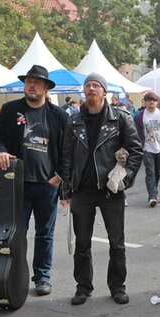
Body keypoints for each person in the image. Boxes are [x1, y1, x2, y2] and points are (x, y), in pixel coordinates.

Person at [59, 72, 143, 305]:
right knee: (82, 243)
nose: (92, 89)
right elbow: (65, 156)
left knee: (117, 243)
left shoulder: (120, 118)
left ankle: (117, 286)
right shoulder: (73, 120)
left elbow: (136, 150)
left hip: (110, 191)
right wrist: (65, 191)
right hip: (82, 191)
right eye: (88, 86)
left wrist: (124, 179)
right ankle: (83, 287)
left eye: (96, 85)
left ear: (105, 91)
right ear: (83, 92)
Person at [0, 64, 68, 296]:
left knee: (45, 234)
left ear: (45, 87)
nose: (31, 85)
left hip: (47, 185)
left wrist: (60, 177)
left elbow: (67, 150)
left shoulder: (58, 116)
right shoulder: (10, 109)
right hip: (16, 184)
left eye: (36, 82)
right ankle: (14, 275)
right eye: (28, 81)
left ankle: (42, 277)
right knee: (15, 233)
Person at [134, 92, 160, 207]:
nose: (152, 102)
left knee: (157, 172)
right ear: (144, 102)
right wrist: (141, 145)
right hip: (147, 148)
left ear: (157, 102)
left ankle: (154, 192)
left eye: (154, 100)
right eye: (149, 100)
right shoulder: (140, 116)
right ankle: (152, 196)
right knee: (150, 172)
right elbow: (135, 131)